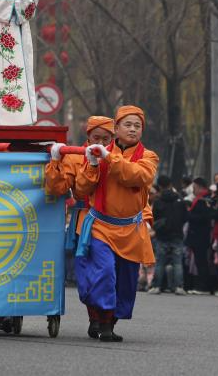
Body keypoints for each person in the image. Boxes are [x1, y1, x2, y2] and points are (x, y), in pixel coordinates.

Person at [72, 105, 158, 343]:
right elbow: (81, 189)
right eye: (127, 124)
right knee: (104, 272)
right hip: (100, 225)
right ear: (116, 128)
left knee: (126, 280)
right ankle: (102, 321)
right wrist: (91, 165)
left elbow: (138, 176)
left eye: (137, 125)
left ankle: (109, 320)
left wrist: (109, 158)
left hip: (131, 229)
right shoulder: (97, 153)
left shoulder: (149, 157)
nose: (132, 129)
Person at [45, 116, 115, 336]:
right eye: (96, 137)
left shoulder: (119, 158)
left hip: (117, 223)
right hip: (84, 221)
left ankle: (108, 319)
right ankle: (95, 318)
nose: (101, 143)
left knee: (112, 273)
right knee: (89, 272)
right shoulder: (75, 156)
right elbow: (58, 188)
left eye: (106, 139)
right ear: (88, 137)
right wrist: (55, 162)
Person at [148, 175, 186, 295]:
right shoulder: (179, 199)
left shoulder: (158, 201)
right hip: (177, 234)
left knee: (160, 261)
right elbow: (185, 216)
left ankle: (157, 286)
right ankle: (179, 286)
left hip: (162, 235)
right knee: (177, 262)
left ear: (159, 186)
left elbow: (153, 217)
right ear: (170, 184)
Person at [185, 177, 215, 295]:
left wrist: (189, 215)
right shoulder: (199, 199)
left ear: (200, 187)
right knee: (199, 261)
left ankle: (203, 286)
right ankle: (200, 285)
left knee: (202, 261)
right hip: (196, 235)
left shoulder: (205, 200)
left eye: (194, 188)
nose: (193, 190)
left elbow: (204, 217)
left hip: (201, 235)